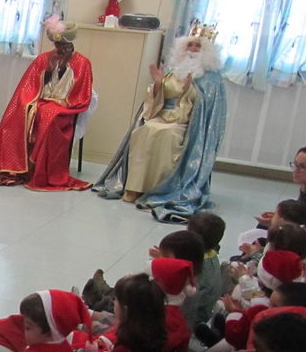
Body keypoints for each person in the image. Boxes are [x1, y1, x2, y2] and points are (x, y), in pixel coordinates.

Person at [94, 24, 227, 222]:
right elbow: (158, 97)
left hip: (187, 124)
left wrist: (190, 90)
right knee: (145, 130)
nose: (192, 49)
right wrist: (158, 83)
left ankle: (160, 189)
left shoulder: (212, 78)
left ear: (206, 51)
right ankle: (135, 187)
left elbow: (205, 110)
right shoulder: (173, 69)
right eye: (189, 45)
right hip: (161, 115)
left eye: (197, 46)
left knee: (166, 135)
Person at [0, 16, 93, 190]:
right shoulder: (44, 59)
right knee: (17, 114)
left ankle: (42, 172)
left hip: (64, 108)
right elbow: (28, 86)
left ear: (71, 45)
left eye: (64, 46)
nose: (60, 50)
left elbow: (81, 95)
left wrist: (60, 104)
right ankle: (16, 167)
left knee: (49, 115)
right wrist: (29, 104)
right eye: (58, 46)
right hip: (40, 102)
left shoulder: (82, 63)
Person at [185, 211, 225, 328]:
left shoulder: (196, 265)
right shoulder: (212, 254)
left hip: (191, 318)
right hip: (205, 310)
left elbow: (186, 299)